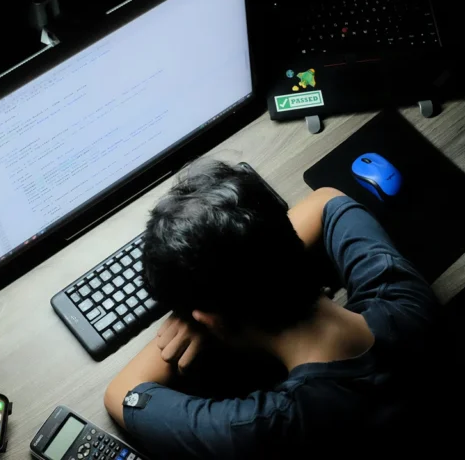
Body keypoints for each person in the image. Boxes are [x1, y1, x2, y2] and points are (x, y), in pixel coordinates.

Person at [104, 161, 440, 458]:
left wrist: (199, 318)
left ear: (210, 319)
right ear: (289, 237)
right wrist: (253, 247)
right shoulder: (408, 301)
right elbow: (326, 200)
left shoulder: (259, 431)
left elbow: (122, 393)